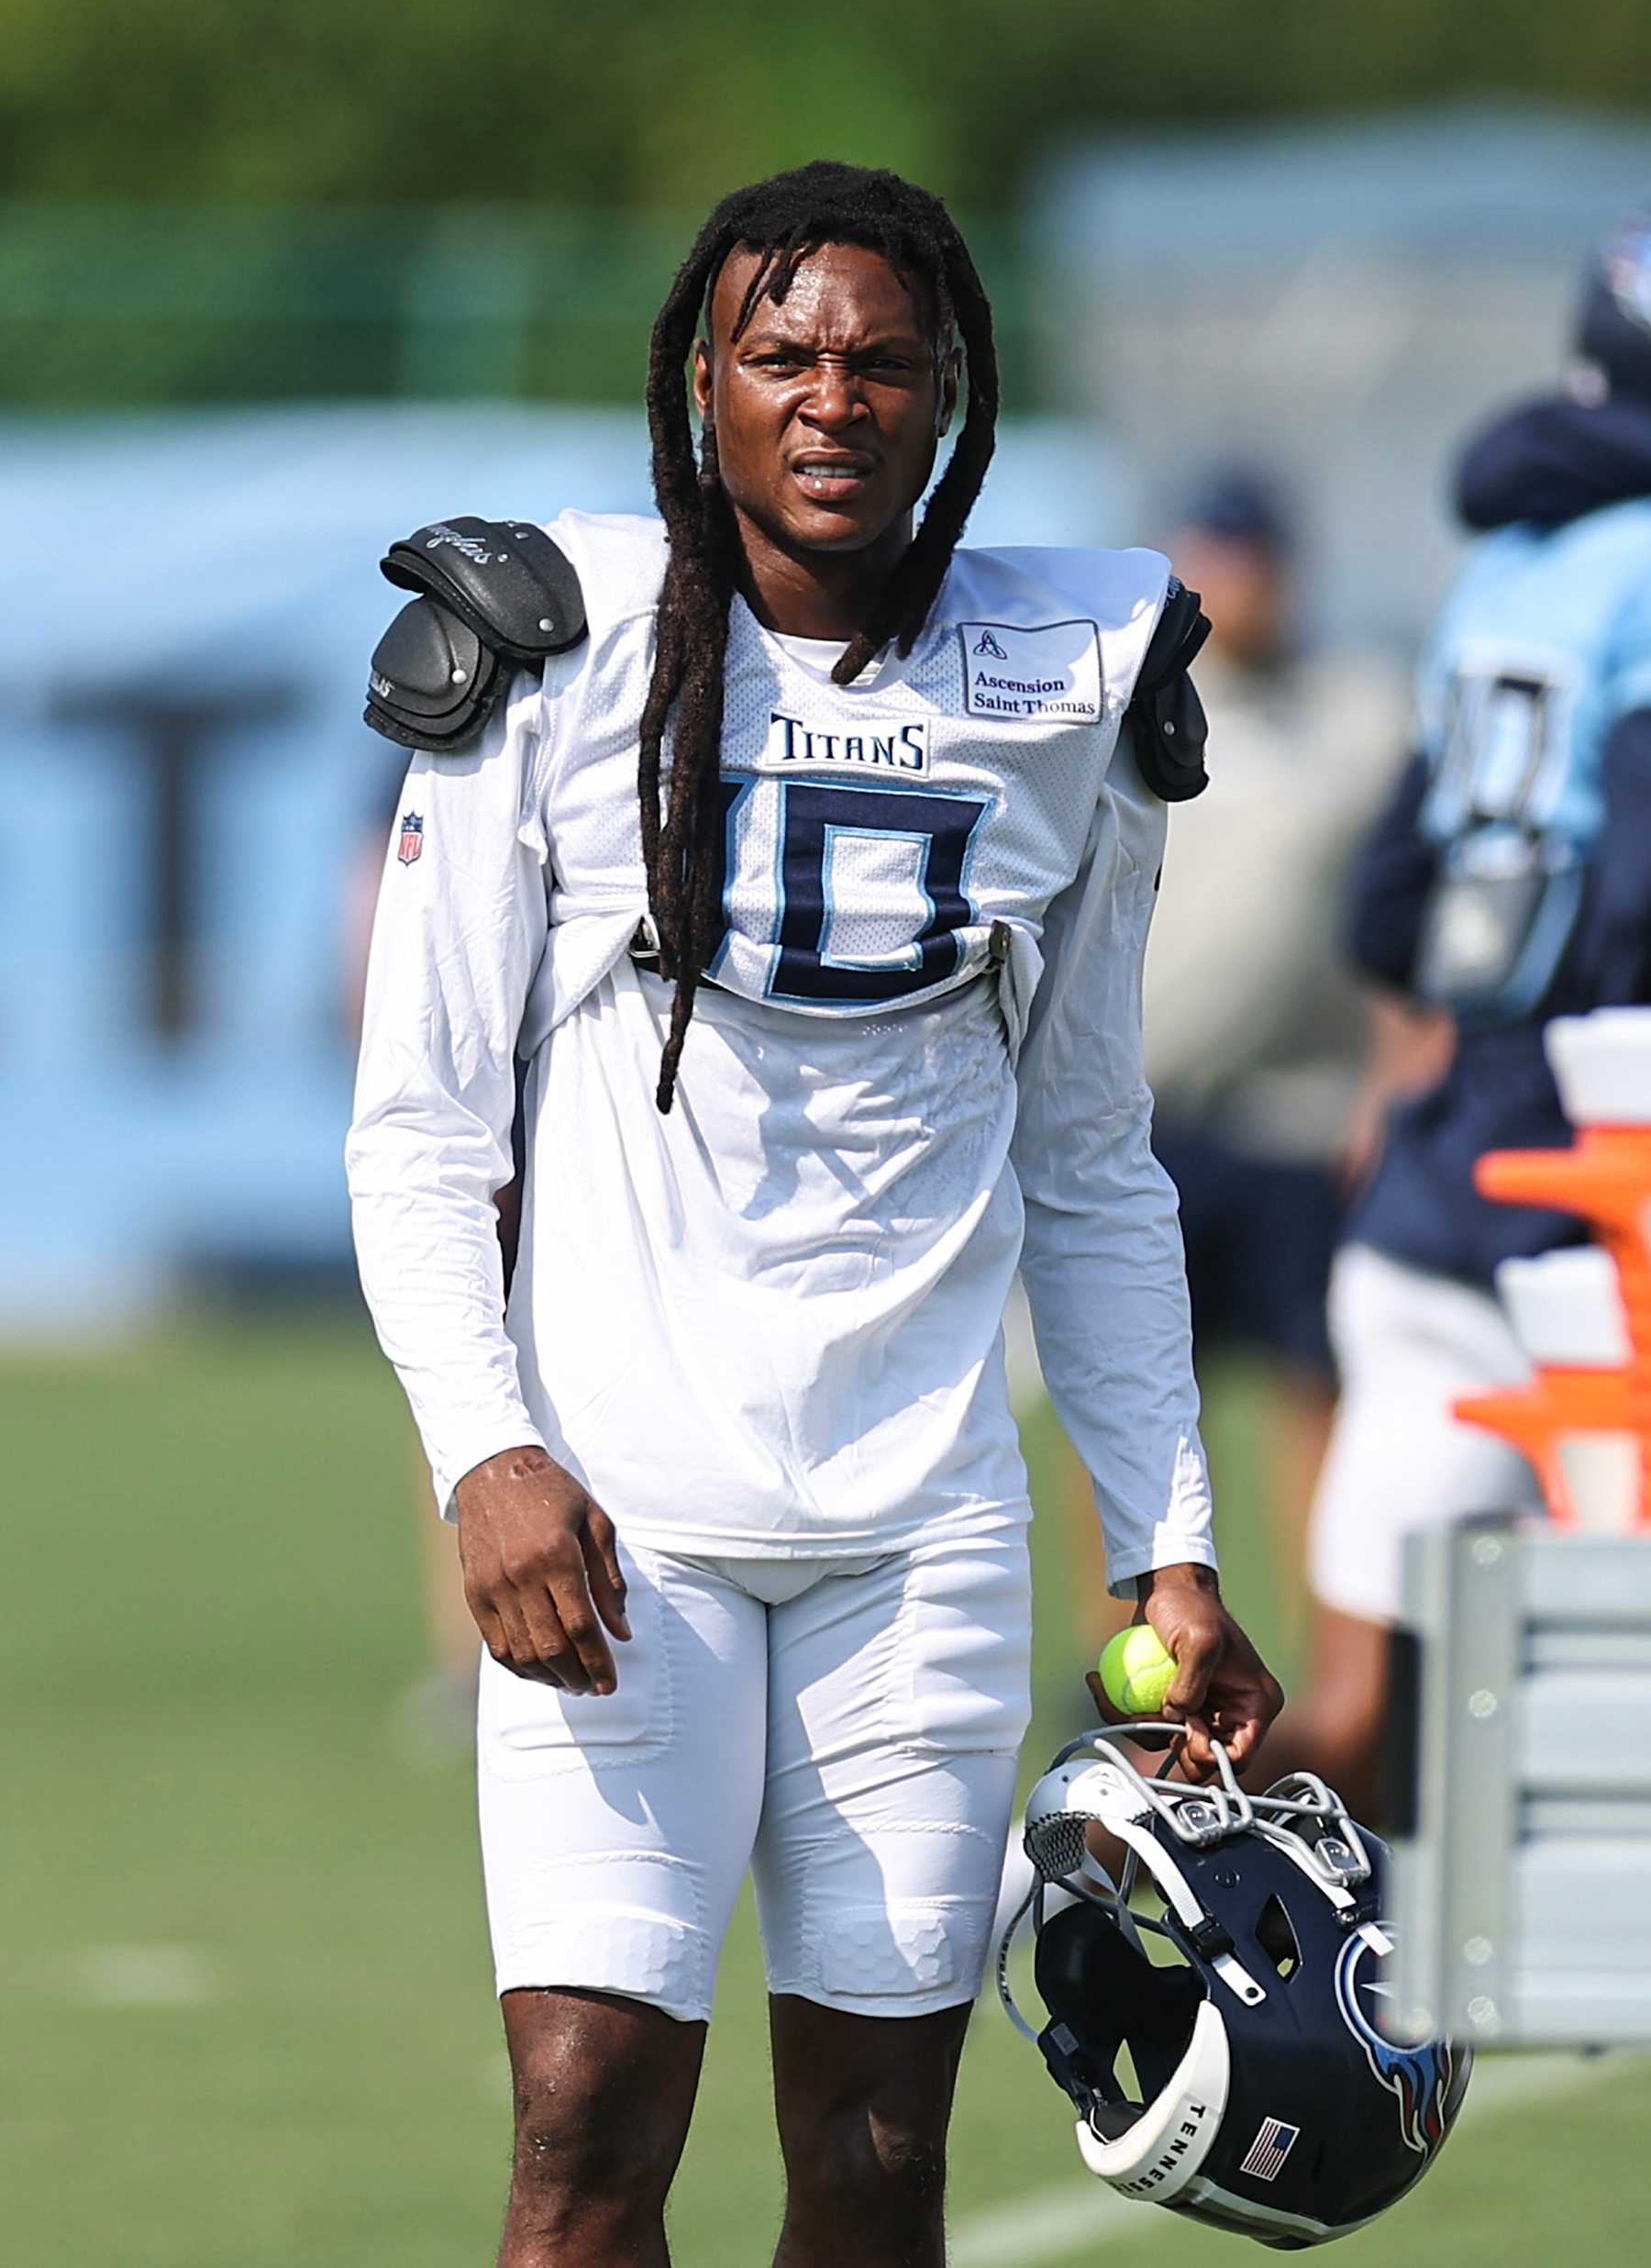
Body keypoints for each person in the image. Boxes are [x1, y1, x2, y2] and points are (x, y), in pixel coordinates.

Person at [346, 161, 1280, 2268]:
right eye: (784, 352)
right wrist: (483, 1447)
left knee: (876, 2159)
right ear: (705, 377)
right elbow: (417, 1126)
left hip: (919, 1517)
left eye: (882, 359)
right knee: (585, 2121)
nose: (832, 397)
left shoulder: (1071, 674)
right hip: (618, 1512)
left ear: (950, 391)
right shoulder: (552, 648)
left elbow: (1093, 1162)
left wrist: (1171, 1538)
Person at [1260, 211, 1651, 1817]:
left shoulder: (1512, 564)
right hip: (1604, 1196)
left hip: (1442, 1181)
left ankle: (1107, 1896)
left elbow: (1387, 907)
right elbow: (1634, 888)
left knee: (1354, 1723)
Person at [1138, 470, 1408, 1644]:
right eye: (1218, 556)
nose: (1239, 585)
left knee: (1322, 1398)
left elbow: (1413, 928)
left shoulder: (1360, 715)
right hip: (1154, 1117)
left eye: (1255, 560)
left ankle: (1327, 1678)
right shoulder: (1121, 702)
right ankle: (1141, 1658)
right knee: (1138, 1403)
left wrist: (1394, 1089)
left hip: (1306, 1114)